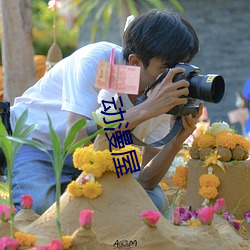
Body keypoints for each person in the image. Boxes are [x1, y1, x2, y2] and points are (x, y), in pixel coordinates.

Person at [6, 9, 202, 215]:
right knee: (39, 208)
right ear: (135, 62)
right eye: (167, 68)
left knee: (152, 202)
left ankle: (71, 199)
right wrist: (147, 108)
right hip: (38, 143)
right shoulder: (97, 62)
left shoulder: (165, 89)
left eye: (181, 66)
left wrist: (176, 140)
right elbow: (76, 139)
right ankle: (65, 197)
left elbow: (146, 180)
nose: (175, 76)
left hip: (103, 153)